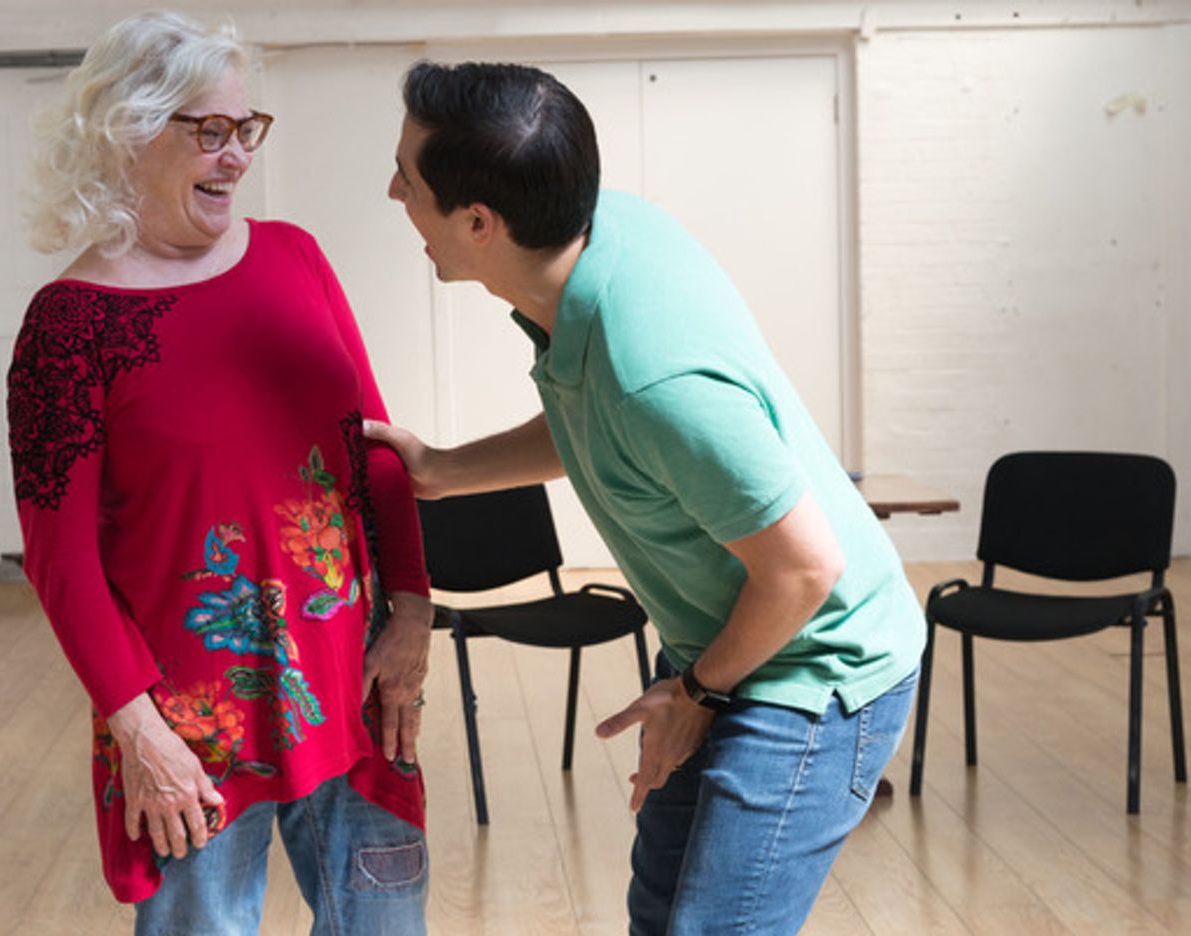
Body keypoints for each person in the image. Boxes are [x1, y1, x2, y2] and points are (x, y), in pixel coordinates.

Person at [369, 60, 925, 936]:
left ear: (479, 222)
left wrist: (695, 694)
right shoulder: (602, 236)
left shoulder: (654, 376)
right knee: (664, 918)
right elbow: (600, 422)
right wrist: (442, 469)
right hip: (730, 644)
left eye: (409, 177)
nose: (392, 188)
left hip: (818, 668)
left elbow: (806, 570)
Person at [7, 13, 433, 934]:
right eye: (208, 130)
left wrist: (412, 610)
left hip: (351, 684)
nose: (236, 154)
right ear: (126, 132)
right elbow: (62, 561)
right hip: (188, 726)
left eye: (246, 128)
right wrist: (137, 729)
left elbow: (375, 450)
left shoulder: (295, 258)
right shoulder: (69, 327)